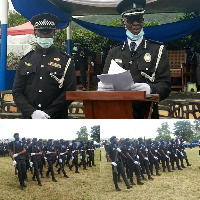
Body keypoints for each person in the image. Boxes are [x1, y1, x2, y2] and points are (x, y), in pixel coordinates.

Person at [101, 0, 171, 119]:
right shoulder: (114, 52)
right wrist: (103, 87)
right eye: (130, 19)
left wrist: (150, 88)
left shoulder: (157, 50)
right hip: (119, 112)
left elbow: (166, 86)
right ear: (123, 22)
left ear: (143, 20)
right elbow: (105, 80)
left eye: (139, 18)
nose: (135, 23)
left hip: (146, 112)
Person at [12, 13, 76, 119]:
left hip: (56, 117)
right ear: (35, 33)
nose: (44, 35)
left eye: (48, 32)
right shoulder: (25, 60)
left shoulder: (66, 60)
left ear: (54, 33)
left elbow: (70, 91)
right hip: (30, 118)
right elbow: (17, 91)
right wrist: (32, 112)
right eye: (41, 32)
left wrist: (48, 113)